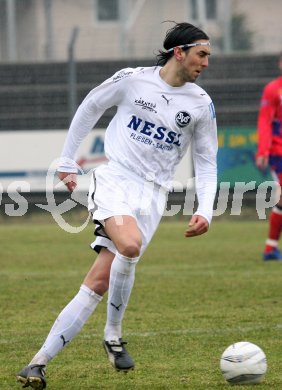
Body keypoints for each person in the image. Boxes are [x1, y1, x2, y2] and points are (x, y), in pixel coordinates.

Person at [16, 22, 217, 389]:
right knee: (129, 245)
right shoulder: (132, 80)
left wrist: (205, 208)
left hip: (155, 195)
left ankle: (37, 363)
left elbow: (206, 162)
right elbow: (90, 106)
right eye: (201, 54)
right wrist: (66, 159)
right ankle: (112, 333)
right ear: (179, 52)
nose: (206, 63)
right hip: (116, 179)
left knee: (98, 280)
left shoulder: (201, 105)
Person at [256, 52, 282, 261]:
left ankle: (270, 247)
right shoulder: (273, 89)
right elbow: (265, 121)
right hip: (278, 152)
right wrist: (263, 150)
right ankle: (270, 248)